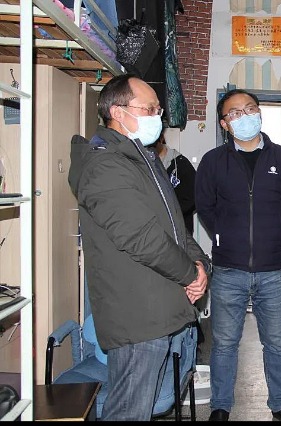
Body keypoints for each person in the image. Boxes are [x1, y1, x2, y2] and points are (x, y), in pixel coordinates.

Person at [68, 73, 211, 421]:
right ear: (118, 112)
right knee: (129, 411)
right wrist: (189, 274)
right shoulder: (105, 165)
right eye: (149, 109)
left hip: (158, 307)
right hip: (137, 315)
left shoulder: (143, 159)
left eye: (158, 109)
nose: (157, 116)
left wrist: (200, 263)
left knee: (142, 407)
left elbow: (175, 225)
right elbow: (141, 238)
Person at [195, 88, 281, 422]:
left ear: (259, 112)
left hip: (274, 270)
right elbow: (205, 206)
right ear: (224, 123)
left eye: (250, 109)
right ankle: (220, 406)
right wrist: (225, 236)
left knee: (276, 342)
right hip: (228, 269)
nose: (244, 116)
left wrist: (278, 236)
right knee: (224, 343)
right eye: (235, 112)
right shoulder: (213, 162)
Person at [150, 130, 197, 235]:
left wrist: (170, 212)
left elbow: (193, 198)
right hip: (154, 231)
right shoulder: (145, 164)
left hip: (179, 229)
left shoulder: (180, 163)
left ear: (161, 139)